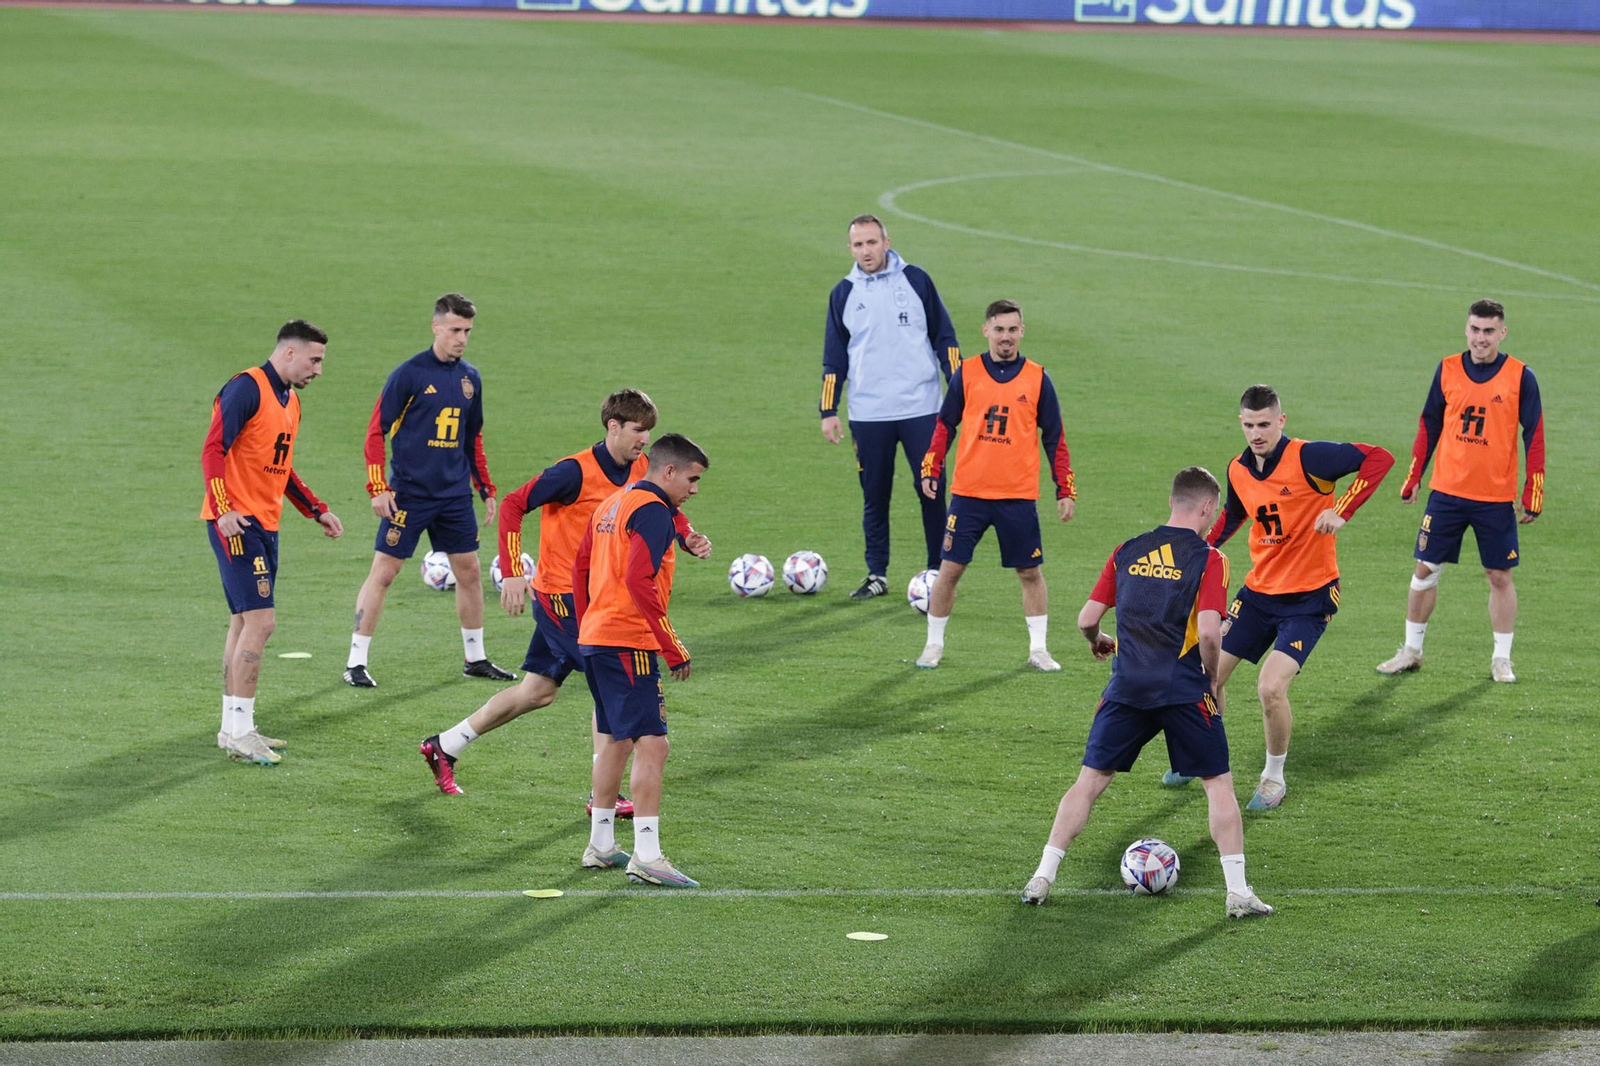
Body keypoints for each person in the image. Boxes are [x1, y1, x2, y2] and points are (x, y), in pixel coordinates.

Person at [418, 390, 712, 806]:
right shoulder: (573, 472)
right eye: (637, 432)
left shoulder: (643, 466)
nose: (644, 441)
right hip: (563, 599)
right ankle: (603, 795)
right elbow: (514, 504)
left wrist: (687, 536)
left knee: (538, 691)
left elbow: (662, 506)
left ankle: (445, 745)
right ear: (613, 427)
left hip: (597, 598)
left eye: (648, 433)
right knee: (611, 685)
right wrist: (513, 571)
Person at [1019, 467, 1272, 919]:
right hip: (1183, 688)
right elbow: (1209, 633)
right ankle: (1237, 892)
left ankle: (1042, 876)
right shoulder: (1209, 558)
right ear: (1208, 508)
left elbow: (1086, 619)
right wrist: (1211, 679)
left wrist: (1098, 640)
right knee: (1217, 784)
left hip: (1127, 686)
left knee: (1089, 782)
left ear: (1172, 501)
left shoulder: (1127, 549)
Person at [1179, 384, 1393, 810]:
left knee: (1270, 688)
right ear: (1241, 423)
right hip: (1258, 595)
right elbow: (1235, 514)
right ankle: (1206, 757)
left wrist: (1342, 509)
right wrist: (1198, 550)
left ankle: (1273, 778)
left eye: (1264, 424)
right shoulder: (1238, 468)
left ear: (1281, 421)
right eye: (1249, 425)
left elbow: (1379, 458)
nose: (1256, 434)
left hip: (1309, 600)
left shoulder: (1310, 458)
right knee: (1205, 676)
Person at [344, 293, 513, 687]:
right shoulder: (409, 374)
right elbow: (375, 431)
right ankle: (355, 663)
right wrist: (378, 487)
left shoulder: (470, 378)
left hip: (454, 496)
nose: (462, 338)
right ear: (436, 327)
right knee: (385, 572)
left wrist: (485, 487)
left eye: (467, 331)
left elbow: (472, 437)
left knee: (469, 571)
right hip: (409, 494)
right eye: (455, 330)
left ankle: (475, 658)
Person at [1376, 300, 1544, 684]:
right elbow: (1429, 423)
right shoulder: (1448, 369)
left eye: (1489, 331)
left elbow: (1534, 434)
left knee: (1499, 576)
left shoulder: (1521, 377)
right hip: (1447, 493)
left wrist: (1533, 490)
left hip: (1495, 497)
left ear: (1502, 333)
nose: (1480, 338)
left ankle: (1502, 659)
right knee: (1425, 569)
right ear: (1466, 330)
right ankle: (1411, 651)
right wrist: (1414, 474)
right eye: (1475, 329)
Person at [201, 320, 344, 766]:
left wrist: (316, 509)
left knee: (243, 622)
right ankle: (242, 731)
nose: (318, 370)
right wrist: (224, 509)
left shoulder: (291, 401)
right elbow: (213, 449)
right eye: (314, 360)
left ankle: (232, 729)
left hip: (264, 525)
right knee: (261, 623)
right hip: (237, 524)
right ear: (289, 352)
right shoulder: (247, 387)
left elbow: (279, 467)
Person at [572, 434, 709, 889]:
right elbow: (638, 579)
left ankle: (601, 844)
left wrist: (586, 626)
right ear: (668, 471)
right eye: (691, 479)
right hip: (629, 642)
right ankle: (648, 856)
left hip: (597, 637)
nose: (693, 490)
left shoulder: (612, 504)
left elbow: (579, 567)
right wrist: (671, 645)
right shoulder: (652, 511)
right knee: (654, 744)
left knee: (615, 741)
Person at [915, 299, 1075, 671]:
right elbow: (945, 425)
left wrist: (1065, 489)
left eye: (1013, 329)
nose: (1006, 337)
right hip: (969, 494)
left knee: (1030, 573)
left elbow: (1055, 437)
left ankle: (1038, 650)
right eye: (999, 329)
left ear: (1022, 332)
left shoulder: (1037, 378)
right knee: (950, 570)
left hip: (1017, 496)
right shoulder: (967, 373)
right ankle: (933, 645)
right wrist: (931, 467)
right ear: (986, 330)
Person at [821, 213, 960, 599]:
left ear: (886, 242)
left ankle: (938, 573)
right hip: (869, 414)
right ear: (850, 249)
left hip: (922, 408)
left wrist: (960, 392)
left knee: (931, 489)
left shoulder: (916, 280)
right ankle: (877, 574)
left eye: (872, 242)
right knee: (874, 495)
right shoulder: (843, 293)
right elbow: (834, 357)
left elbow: (945, 339)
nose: (866, 251)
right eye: (858, 244)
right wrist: (828, 411)